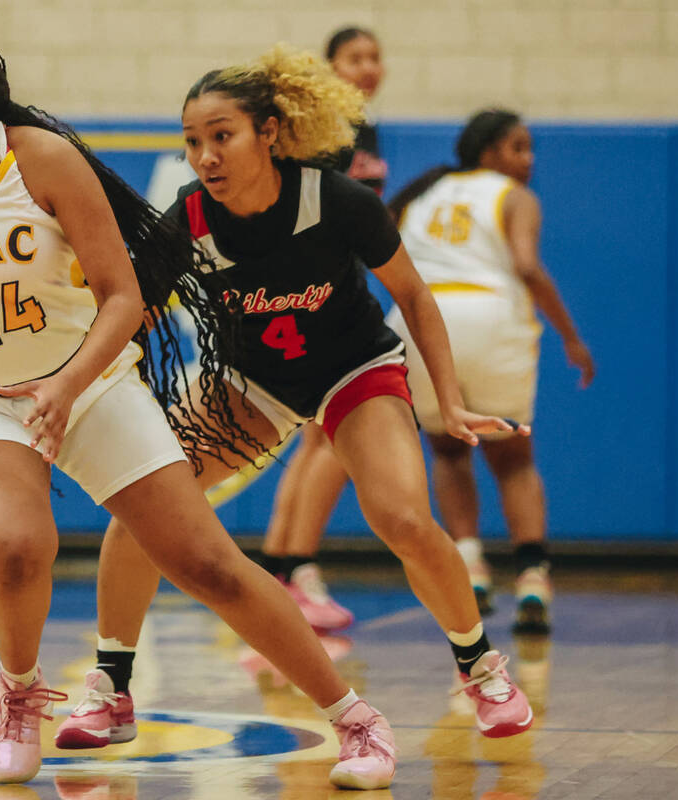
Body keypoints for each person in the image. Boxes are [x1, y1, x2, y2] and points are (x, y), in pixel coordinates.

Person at [0, 27, 398, 790]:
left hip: (90, 380)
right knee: (16, 543)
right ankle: (19, 699)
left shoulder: (42, 161)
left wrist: (69, 386)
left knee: (207, 564)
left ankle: (355, 719)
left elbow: (123, 295)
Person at [57, 44, 535, 761]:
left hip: (353, 370)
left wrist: (455, 402)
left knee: (402, 517)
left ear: (269, 134)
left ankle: (481, 668)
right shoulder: (187, 219)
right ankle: (112, 686)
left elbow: (413, 297)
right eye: (192, 142)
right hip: (250, 382)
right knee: (145, 504)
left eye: (222, 136)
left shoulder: (337, 201)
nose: (205, 155)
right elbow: (130, 311)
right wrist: (67, 381)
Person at [385, 109, 596, 632]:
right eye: (518, 148)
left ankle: (471, 567)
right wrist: (570, 335)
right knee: (515, 458)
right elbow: (526, 266)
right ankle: (532, 577)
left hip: (421, 321)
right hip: (490, 314)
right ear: (488, 153)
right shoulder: (514, 196)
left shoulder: (423, 193)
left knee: (450, 449)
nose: (528, 160)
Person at [259, 25, 389, 633]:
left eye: (374, 57)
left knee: (315, 441)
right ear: (328, 66)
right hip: (307, 298)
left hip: (336, 294)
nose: (367, 67)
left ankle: (282, 575)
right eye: (353, 57)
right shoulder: (318, 136)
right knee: (331, 440)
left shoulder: (367, 132)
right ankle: (299, 570)